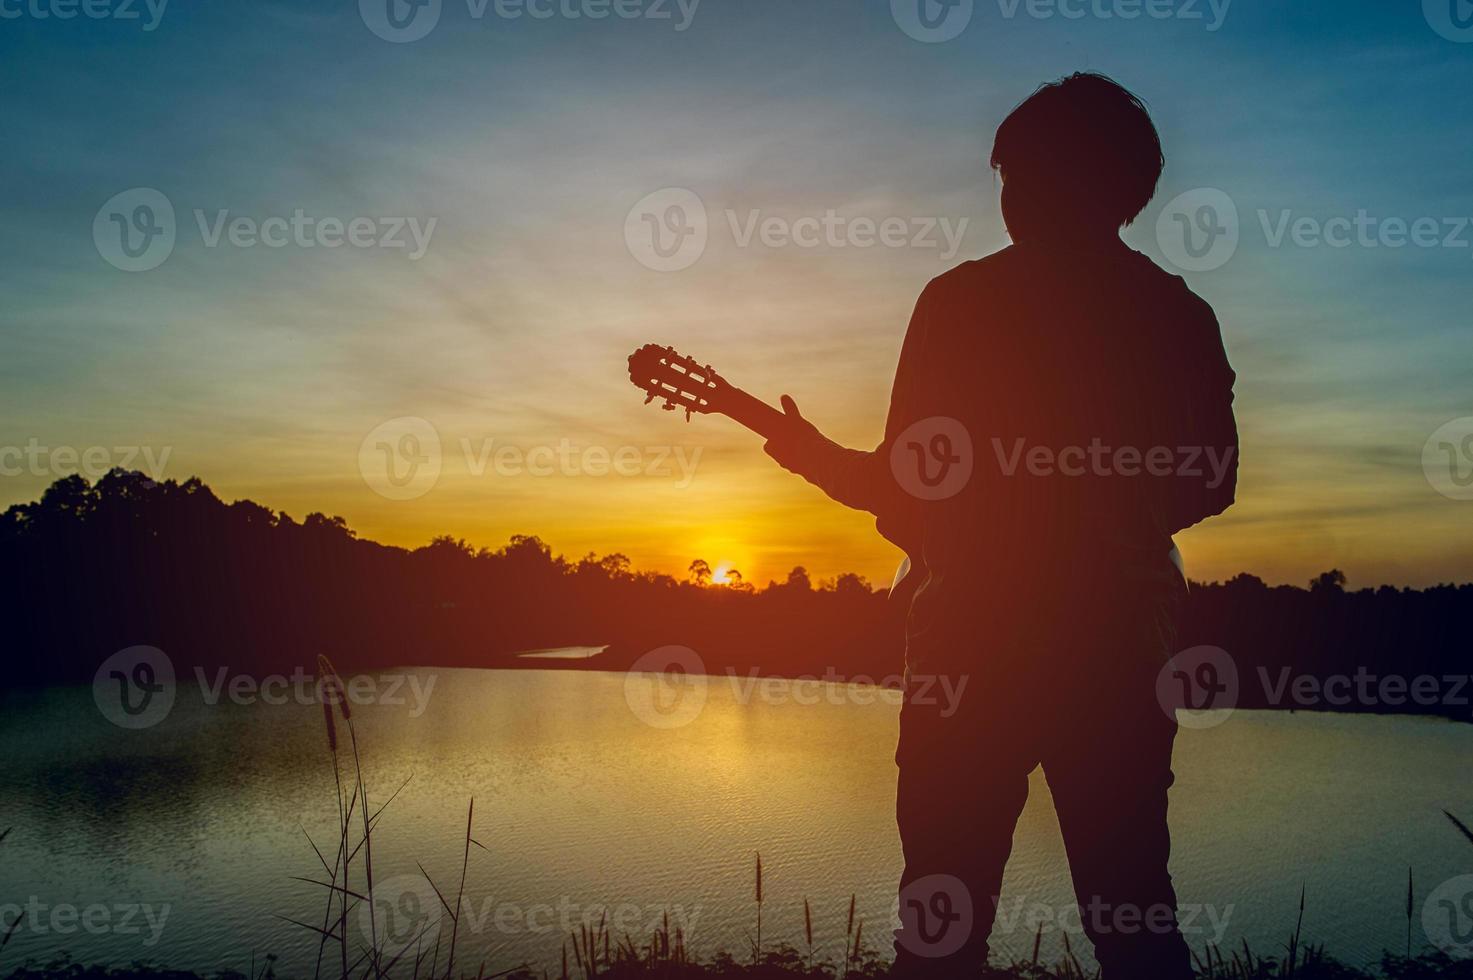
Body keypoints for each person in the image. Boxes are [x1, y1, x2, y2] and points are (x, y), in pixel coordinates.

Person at [762, 72, 1238, 979]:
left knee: (938, 926)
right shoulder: (1180, 314)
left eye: (1018, 174)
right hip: (1123, 649)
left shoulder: (959, 303)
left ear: (1073, 183)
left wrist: (810, 454)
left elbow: (906, 489)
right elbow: (1211, 481)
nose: (1011, 196)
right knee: (1134, 916)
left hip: (967, 656)